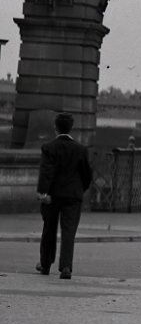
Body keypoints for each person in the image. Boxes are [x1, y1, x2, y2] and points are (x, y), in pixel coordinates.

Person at [36, 112, 93, 280]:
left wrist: (43, 192)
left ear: (56, 127)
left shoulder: (49, 147)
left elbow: (46, 172)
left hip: (53, 196)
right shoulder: (80, 149)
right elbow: (87, 175)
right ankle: (66, 267)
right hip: (73, 196)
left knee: (49, 229)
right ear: (71, 128)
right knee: (69, 232)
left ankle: (45, 264)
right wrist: (79, 190)